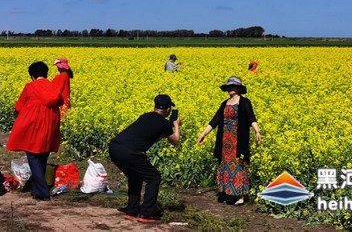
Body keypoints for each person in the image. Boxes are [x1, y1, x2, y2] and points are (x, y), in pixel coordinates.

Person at [109, 94, 181, 223]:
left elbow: (152, 134)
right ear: (168, 109)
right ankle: (146, 214)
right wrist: (176, 124)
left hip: (114, 148)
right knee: (154, 178)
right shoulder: (163, 123)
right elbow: (175, 141)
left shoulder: (145, 116)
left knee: (135, 176)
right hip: (129, 152)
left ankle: (132, 211)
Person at [198, 76, 261, 206]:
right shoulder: (225, 103)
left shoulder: (245, 102)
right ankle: (229, 194)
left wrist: (257, 131)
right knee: (225, 166)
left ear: (238, 88)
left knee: (239, 166)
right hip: (225, 140)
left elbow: (251, 118)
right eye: (229, 87)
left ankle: (240, 196)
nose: (230, 89)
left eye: (233, 86)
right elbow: (215, 120)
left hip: (238, 140)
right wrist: (204, 133)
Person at [6, 61, 63, 200]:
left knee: (33, 156)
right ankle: (36, 189)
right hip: (50, 124)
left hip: (32, 124)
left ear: (32, 75)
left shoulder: (30, 86)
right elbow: (60, 101)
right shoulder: (54, 87)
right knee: (43, 155)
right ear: (46, 73)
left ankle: (42, 192)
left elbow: (19, 107)